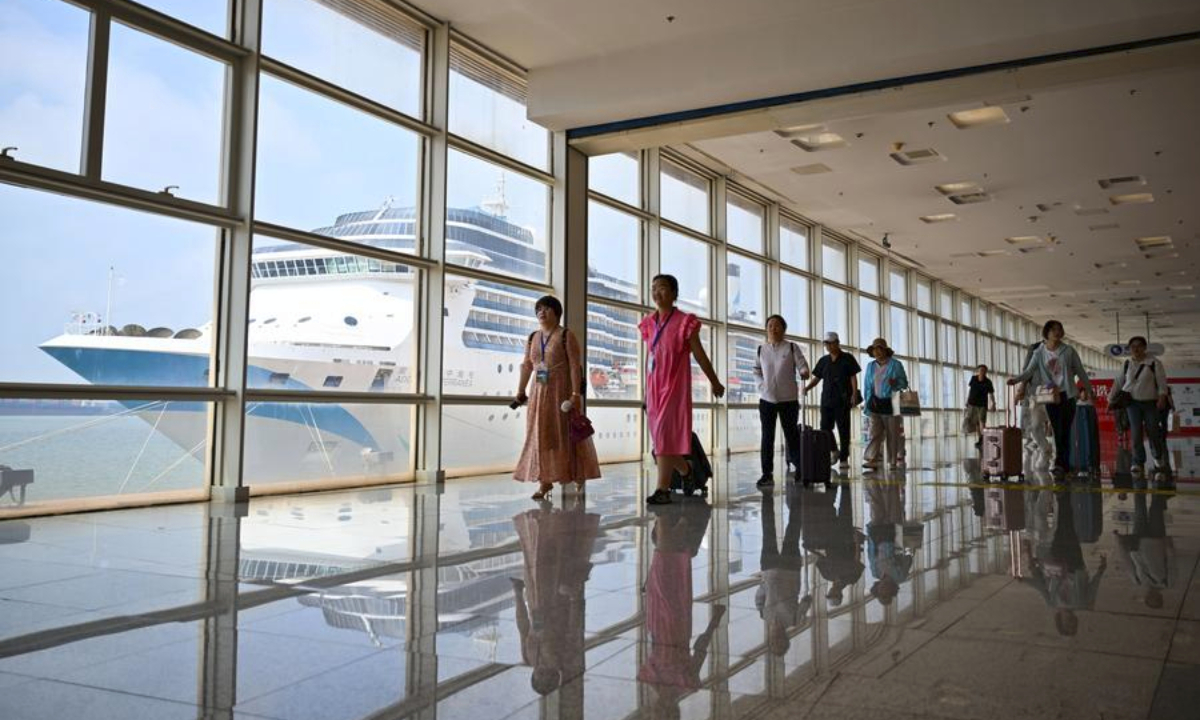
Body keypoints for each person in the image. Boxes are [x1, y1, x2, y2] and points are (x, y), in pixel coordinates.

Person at [641, 275, 725, 505]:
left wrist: (715, 382)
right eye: (654, 289)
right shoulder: (648, 323)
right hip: (654, 388)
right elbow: (650, 359)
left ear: (674, 294)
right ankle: (687, 471)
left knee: (662, 438)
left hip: (674, 386)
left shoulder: (684, 322)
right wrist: (644, 392)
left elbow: (699, 354)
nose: (657, 293)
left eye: (663, 289)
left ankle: (663, 489)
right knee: (661, 440)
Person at [638, 501, 726, 716]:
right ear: (673, 711)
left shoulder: (650, 678)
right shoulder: (686, 682)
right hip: (676, 621)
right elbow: (701, 649)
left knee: (663, 557)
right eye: (664, 715)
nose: (659, 709)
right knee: (667, 556)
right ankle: (668, 511)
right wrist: (714, 622)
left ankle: (670, 512)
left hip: (658, 622)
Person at [513, 296, 602, 500]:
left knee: (565, 434)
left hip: (560, 392)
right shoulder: (532, 337)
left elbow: (574, 366)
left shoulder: (565, 335)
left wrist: (575, 394)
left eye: (546, 309)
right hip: (538, 392)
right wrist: (520, 391)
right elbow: (527, 365)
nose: (541, 312)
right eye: (538, 309)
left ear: (557, 312)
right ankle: (545, 481)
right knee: (540, 436)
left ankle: (577, 475)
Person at [511, 496, 600, 696]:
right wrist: (574, 599)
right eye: (546, 678)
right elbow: (573, 629)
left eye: (538, 677)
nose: (541, 674)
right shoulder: (562, 657)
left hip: (536, 601)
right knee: (559, 557)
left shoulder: (529, 657)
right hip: (557, 601)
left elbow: (523, 626)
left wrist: (518, 594)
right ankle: (563, 518)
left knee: (536, 556)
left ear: (533, 675)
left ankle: (544, 517)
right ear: (554, 675)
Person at [1008, 320, 1094, 476]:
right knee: (1057, 429)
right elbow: (1029, 371)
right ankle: (1061, 463)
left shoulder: (1068, 351)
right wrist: (1016, 380)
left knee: (1064, 430)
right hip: (1050, 395)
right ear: (1046, 333)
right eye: (1053, 329)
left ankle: (1062, 463)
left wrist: (1088, 389)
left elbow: (1080, 371)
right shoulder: (1039, 352)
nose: (1057, 332)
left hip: (1067, 395)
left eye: (1059, 329)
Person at [754, 315, 811, 487]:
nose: (773, 328)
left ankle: (799, 469)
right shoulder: (761, 350)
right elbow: (756, 371)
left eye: (777, 326)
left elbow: (802, 365)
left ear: (783, 329)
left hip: (789, 400)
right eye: (770, 325)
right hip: (767, 400)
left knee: (792, 435)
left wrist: (804, 371)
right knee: (767, 437)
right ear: (766, 329)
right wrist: (761, 386)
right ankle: (767, 473)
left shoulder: (792, 347)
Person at [756, 484, 812, 656]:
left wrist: (763, 582)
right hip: (790, 568)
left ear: (770, 640)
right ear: (786, 638)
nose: (777, 639)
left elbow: (760, 596)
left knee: (768, 529)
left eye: (774, 642)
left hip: (770, 568)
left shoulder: (764, 615)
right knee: (793, 530)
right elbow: (807, 601)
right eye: (781, 642)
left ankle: (767, 498)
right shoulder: (794, 620)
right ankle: (797, 494)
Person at [1109, 336, 1170, 476]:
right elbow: (1118, 382)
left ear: (1144, 348)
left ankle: (1158, 458)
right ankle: (1137, 462)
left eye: (1139, 346)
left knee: (1153, 431)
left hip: (1150, 403)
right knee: (1136, 433)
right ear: (1130, 349)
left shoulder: (1154, 363)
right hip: (1132, 404)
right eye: (1133, 346)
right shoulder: (1126, 364)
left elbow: (1162, 383)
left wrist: (1162, 397)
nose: (1136, 349)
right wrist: (1110, 400)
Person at [1113, 477, 1176, 610]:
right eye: (1157, 600)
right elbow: (1171, 564)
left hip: (1138, 541)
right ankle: (1158, 481)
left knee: (1139, 509)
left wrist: (1119, 543)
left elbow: (1127, 562)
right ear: (1160, 597)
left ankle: (1138, 480)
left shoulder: (1138, 581)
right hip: (1157, 540)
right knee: (1156, 509)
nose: (1153, 597)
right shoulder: (1167, 582)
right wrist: (1169, 546)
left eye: (1151, 600)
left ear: (1146, 598)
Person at [803, 332, 860, 470]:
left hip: (843, 399)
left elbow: (853, 377)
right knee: (825, 428)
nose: (827, 346)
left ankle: (844, 458)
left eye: (830, 343)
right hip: (827, 400)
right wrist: (807, 388)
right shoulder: (823, 361)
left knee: (843, 429)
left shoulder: (848, 358)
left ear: (837, 342)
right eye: (826, 343)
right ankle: (834, 451)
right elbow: (816, 378)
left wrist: (854, 394)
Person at [861, 337, 908, 471]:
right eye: (874, 349)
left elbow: (904, 383)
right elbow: (867, 385)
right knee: (875, 432)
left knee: (892, 433)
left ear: (885, 350)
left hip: (891, 402)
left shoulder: (895, 364)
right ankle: (872, 458)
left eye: (879, 349)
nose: (877, 352)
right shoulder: (870, 366)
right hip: (875, 402)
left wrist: (896, 383)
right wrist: (867, 401)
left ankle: (892, 461)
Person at [963, 364, 996, 449]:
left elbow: (991, 394)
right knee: (976, 423)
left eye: (984, 371)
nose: (982, 372)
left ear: (986, 372)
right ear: (978, 371)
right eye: (981, 370)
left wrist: (993, 403)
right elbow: (970, 390)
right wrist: (967, 401)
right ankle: (980, 439)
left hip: (982, 405)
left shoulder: (988, 382)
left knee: (982, 422)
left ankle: (983, 439)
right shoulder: (973, 379)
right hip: (972, 404)